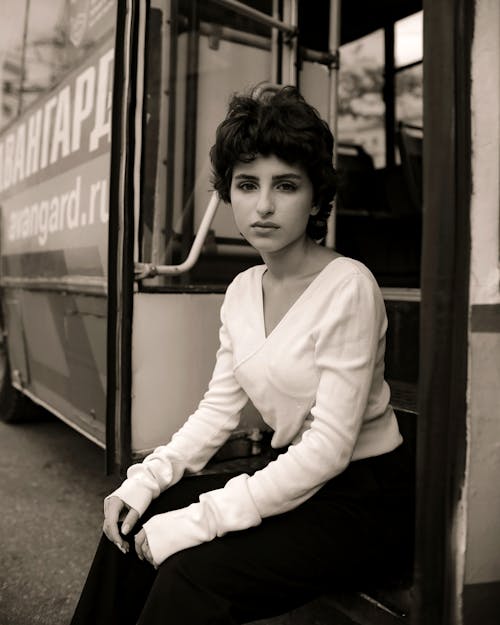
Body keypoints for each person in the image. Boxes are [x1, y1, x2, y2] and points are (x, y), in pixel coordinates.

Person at [70, 85, 414, 625]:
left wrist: (198, 521)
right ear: (229, 194)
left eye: (286, 185)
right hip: (299, 476)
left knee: (190, 574)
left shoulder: (349, 286)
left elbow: (327, 451)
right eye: (247, 185)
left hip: (363, 499)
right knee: (136, 523)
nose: (265, 205)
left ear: (317, 197)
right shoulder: (241, 289)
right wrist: (146, 479)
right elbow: (217, 411)